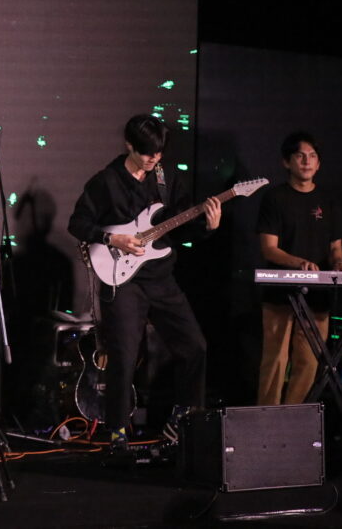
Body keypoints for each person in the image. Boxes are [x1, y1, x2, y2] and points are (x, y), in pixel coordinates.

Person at [67, 114, 220, 453]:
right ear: (129, 146)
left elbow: (181, 228)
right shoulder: (106, 181)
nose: (154, 159)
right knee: (123, 354)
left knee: (195, 346)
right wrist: (112, 239)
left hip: (161, 277)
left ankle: (185, 416)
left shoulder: (167, 178)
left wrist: (207, 227)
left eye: (159, 153)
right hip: (122, 281)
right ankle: (118, 430)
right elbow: (77, 223)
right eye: (148, 153)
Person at [257, 131, 342, 406]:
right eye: (300, 155)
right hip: (279, 293)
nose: (306, 161)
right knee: (276, 360)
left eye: (312, 156)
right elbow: (269, 248)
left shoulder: (329, 200)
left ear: (319, 163)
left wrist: (339, 264)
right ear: (286, 162)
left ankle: (294, 418)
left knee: (310, 361)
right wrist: (299, 264)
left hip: (317, 294)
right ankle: (266, 419)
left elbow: (335, 248)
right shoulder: (275, 198)